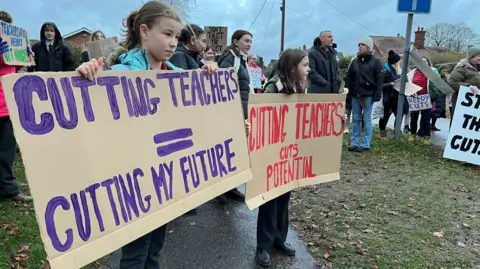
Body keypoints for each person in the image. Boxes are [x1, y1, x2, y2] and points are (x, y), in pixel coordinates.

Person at [75, 2, 215, 268]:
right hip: (134, 183)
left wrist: (208, 78)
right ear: (144, 31)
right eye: (167, 34)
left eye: (176, 36)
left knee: (154, 250)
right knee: (136, 254)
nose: (174, 42)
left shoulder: (180, 79)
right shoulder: (118, 75)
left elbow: (199, 120)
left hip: (165, 181)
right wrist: (86, 76)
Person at [256, 49, 310, 267]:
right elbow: (262, 119)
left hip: (290, 154)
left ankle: (279, 239)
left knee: (284, 199)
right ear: (292, 68)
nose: (309, 69)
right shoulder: (272, 88)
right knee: (269, 201)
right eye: (305, 65)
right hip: (271, 155)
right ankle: (263, 246)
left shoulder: (302, 90)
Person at [216, 29, 253, 203]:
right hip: (231, 113)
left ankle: (229, 186)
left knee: (235, 149)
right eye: (246, 41)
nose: (249, 44)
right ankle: (223, 187)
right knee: (229, 148)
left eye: (250, 41)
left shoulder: (241, 59)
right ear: (235, 41)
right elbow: (222, 87)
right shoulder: (230, 59)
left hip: (240, 110)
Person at [0, 11, 33, 203]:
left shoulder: (9, 46)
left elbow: (12, 70)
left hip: (6, 106)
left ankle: (9, 190)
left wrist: (24, 57)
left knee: (6, 151)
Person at [344, 37, 384, 152]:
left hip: (368, 94)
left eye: (362, 44)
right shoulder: (355, 62)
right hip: (355, 94)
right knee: (356, 118)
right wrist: (348, 93)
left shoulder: (375, 62)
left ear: (368, 47)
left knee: (366, 119)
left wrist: (377, 93)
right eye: (359, 44)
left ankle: (366, 143)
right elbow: (349, 78)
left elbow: (380, 78)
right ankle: (354, 142)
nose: (360, 46)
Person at [407, 57, 441, 144]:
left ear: (428, 63)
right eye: (421, 61)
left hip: (426, 97)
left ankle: (426, 136)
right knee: (413, 117)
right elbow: (408, 82)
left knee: (426, 118)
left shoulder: (433, 70)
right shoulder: (412, 72)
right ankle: (413, 134)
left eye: (425, 61)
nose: (423, 62)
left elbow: (438, 81)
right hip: (415, 97)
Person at [379, 50, 408, 139]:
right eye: (399, 61)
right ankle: (382, 134)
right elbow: (380, 85)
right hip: (388, 97)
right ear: (394, 62)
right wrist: (391, 84)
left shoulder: (399, 71)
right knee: (385, 116)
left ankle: (397, 134)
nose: (400, 62)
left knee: (399, 115)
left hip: (398, 97)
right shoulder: (385, 71)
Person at [448, 46, 480, 127]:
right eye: (479, 56)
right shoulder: (462, 69)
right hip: (463, 105)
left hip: (476, 106)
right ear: (472, 57)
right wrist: (469, 86)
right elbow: (451, 84)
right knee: (458, 126)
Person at [431, 65, 449, 131]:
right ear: (440, 70)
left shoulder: (445, 78)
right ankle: (426, 126)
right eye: (443, 71)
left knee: (437, 112)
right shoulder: (436, 76)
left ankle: (433, 125)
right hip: (436, 96)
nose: (444, 72)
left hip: (442, 97)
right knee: (432, 112)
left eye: (446, 71)